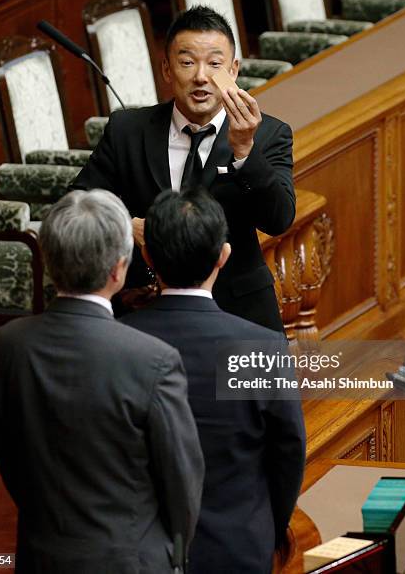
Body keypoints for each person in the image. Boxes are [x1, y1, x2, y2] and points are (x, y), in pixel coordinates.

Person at [0, 190, 204, 574]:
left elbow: (9, 458)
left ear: (48, 262)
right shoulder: (152, 359)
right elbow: (182, 481)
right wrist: (174, 555)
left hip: (40, 555)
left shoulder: (5, 345)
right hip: (131, 561)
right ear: (119, 269)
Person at [71, 5, 295, 331]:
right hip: (142, 311)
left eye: (214, 64)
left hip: (237, 312)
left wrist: (245, 151)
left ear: (233, 71)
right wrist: (127, 225)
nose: (201, 76)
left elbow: (279, 219)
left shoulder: (268, 134)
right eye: (187, 62)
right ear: (166, 69)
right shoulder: (128, 129)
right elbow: (79, 200)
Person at [122, 188, 306, 574]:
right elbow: (288, 453)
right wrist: (268, 529)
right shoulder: (259, 346)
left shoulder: (118, 342)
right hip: (238, 546)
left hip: (137, 550)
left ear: (147, 255)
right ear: (223, 255)